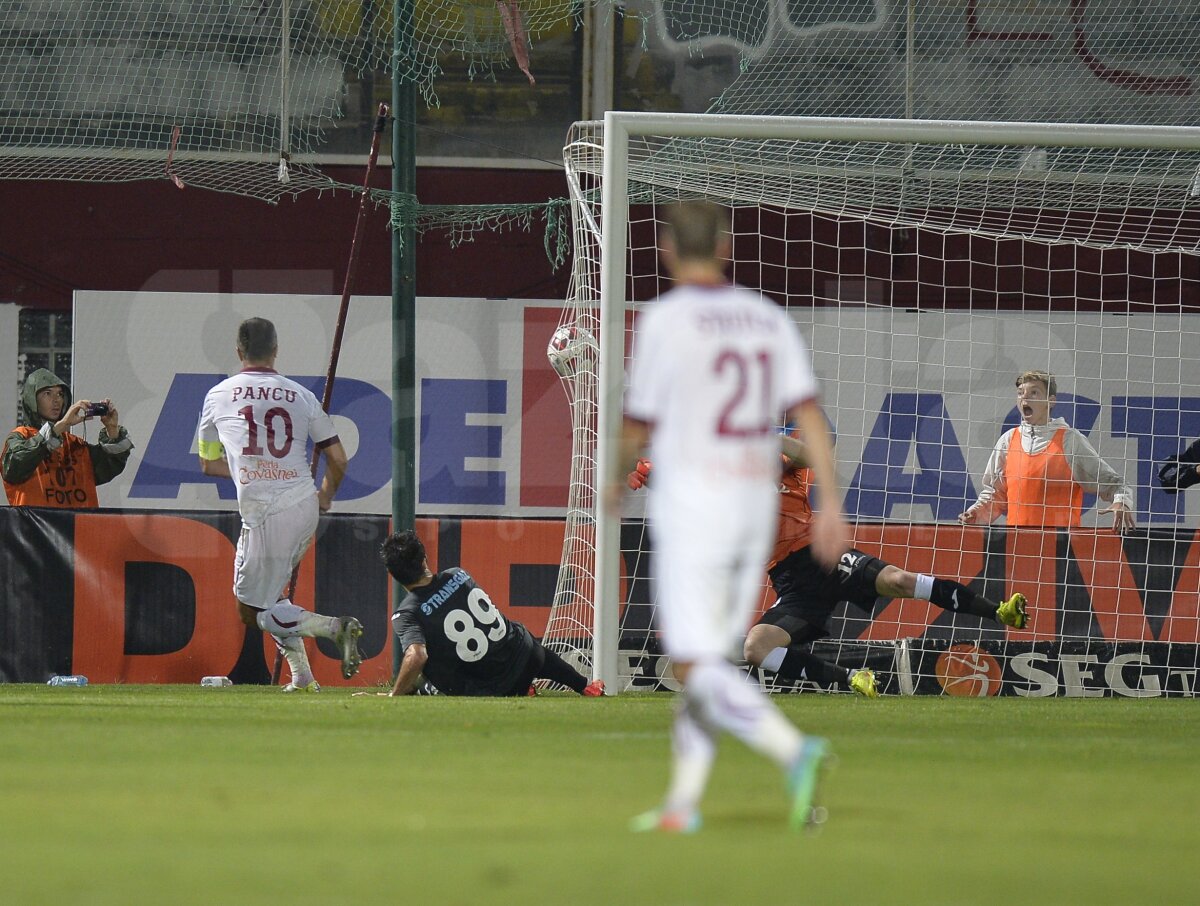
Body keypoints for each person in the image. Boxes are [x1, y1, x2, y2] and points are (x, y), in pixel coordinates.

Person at [607, 200, 850, 835]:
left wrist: (613, 477)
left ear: (665, 250)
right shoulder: (765, 319)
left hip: (697, 507)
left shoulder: (666, 321)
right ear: (725, 247)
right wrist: (831, 503)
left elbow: (639, 421)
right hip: (751, 513)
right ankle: (682, 805)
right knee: (700, 659)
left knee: (695, 662)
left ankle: (792, 752)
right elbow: (810, 418)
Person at [629, 440, 1029, 698]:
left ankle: (998, 611)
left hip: (828, 557)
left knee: (900, 580)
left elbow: (811, 453)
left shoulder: (783, 467)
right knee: (756, 647)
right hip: (791, 581)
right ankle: (852, 679)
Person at [197, 317, 363, 691]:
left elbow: (207, 462)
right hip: (303, 505)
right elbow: (338, 460)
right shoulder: (302, 396)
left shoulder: (218, 395)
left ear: (239, 352)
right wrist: (325, 495)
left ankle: (333, 628)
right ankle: (302, 676)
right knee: (272, 596)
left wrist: (246, 470)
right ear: (276, 350)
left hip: (265, 511)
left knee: (250, 610)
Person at [378, 529, 606, 698]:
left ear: (391, 574)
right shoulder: (458, 574)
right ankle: (585, 685)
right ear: (424, 558)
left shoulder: (406, 613)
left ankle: (521, 689)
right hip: (530, 656)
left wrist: (394, 695)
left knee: (427, 677)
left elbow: (417, 656)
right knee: (514, 636)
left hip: (494, 686)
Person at [959, 370, 1135, 533]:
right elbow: (995, 494)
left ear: (1051, 401)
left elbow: (1115, 483)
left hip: (1063, 548)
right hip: (1016, 547)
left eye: (1034, 392)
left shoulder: (1070, 440)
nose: (1024, 398)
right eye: (1020, 393)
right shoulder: (1008, 440)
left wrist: (1121, 501)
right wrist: (975, 514)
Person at [2, 368, 133, 507]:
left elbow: (109, 466)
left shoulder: (74, 444)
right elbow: (14, 467)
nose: (56, 400)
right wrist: (62, 425)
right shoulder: (21, 436)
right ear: (31, 400)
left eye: (60, 394)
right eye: (47, 393)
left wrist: (112, 429)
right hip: (36, 528)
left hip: (78, 528)